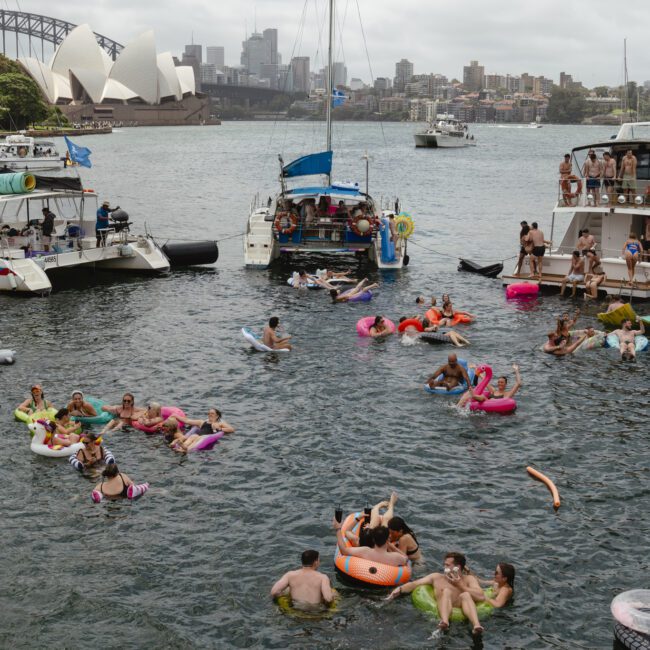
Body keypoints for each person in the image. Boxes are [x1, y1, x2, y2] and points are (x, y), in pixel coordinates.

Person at [386, 552, 485, 635]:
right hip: (444, 603)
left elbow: (481, 596)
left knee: (466, 595)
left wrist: (461, 586)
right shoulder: (437, 577)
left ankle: (476, 625)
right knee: (446, 591)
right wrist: (399, 589)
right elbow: (415, 584)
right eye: (444, 564)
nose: (444, 567)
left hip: (461, 605)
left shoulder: (468, 579)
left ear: (457, 567)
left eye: (447, 565)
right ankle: (445, 621)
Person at [270, 550, 334, 610]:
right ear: (315, 562)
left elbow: (274, 592)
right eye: (319, 560)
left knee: (287, 590)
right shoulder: (322, 577)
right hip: (314, 612)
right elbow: (328, 598)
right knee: (334, 592)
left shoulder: (290, 575)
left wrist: (285, 598)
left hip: (295, 611)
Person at [333, 520, 408, 568]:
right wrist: (393, 547)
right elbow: (406, 559)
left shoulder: (365, 551)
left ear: (373, 540)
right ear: (388, 540)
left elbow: (344, 551)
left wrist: (338, 529)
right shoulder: (395, 557)